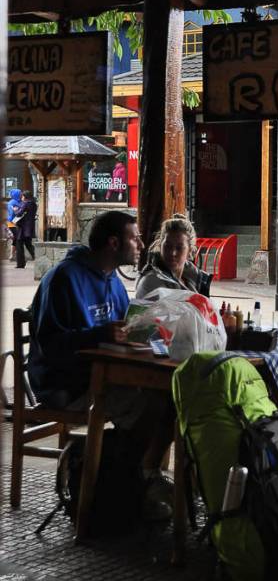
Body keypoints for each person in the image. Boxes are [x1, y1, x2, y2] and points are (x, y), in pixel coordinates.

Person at [29, 210, 174, 519]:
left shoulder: (113, 282)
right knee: (153, 404)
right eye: (134, 238)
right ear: (112, 243)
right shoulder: (65, 278)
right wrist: (97, 335)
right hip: (65, 383)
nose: (140, 243)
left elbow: (126, 329)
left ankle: (133, 477)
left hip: (103, 376)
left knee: (170, 399)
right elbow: (50, 344)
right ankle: (129, 479)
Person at [136, 214, 211, 299]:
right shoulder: (151, 282)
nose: (172, 253)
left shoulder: (193, 279)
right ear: (160, 246)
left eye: (179, 248)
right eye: (167, 246)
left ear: (189, 250)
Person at [14, 190, 37, 269]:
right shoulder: (34, 204)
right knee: (28, 244)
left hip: (23, 228)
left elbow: (19, 213)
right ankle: (37, 258)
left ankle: (20, 263)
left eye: (22, 196)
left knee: (19, 244)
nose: (21, 198)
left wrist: (15, 210)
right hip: (29, 227)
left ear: (25, 197)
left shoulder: (25, 204)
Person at [6, 188, 22, 262]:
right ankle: (12, 254)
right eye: (20, 193)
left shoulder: (19, 201)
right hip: (12, 223)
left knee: (16, 238)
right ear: (17, 194)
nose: (21, 194)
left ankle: (13, 255)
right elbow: (12, 212)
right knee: (17, 238)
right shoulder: (11, 202)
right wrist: (18, 211)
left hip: (17, 222)